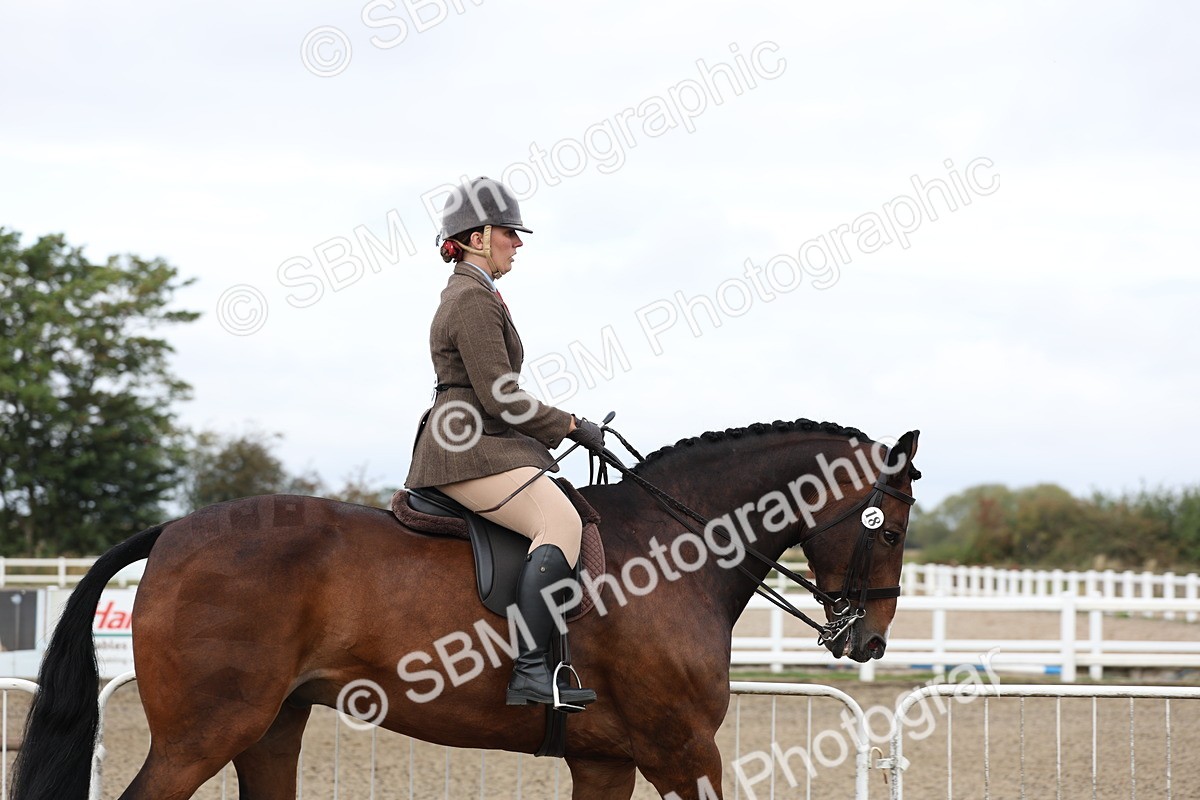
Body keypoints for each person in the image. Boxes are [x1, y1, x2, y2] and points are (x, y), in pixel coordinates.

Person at [406, 176, 603, 710]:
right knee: (559, 523)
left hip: (477, 437)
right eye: (509, 232)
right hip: (466, 444)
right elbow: (500, 398)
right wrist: (570, 424)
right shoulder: (471, 299)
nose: (518, 242)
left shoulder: (479, 294)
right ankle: (532, 671)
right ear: (475, 237)